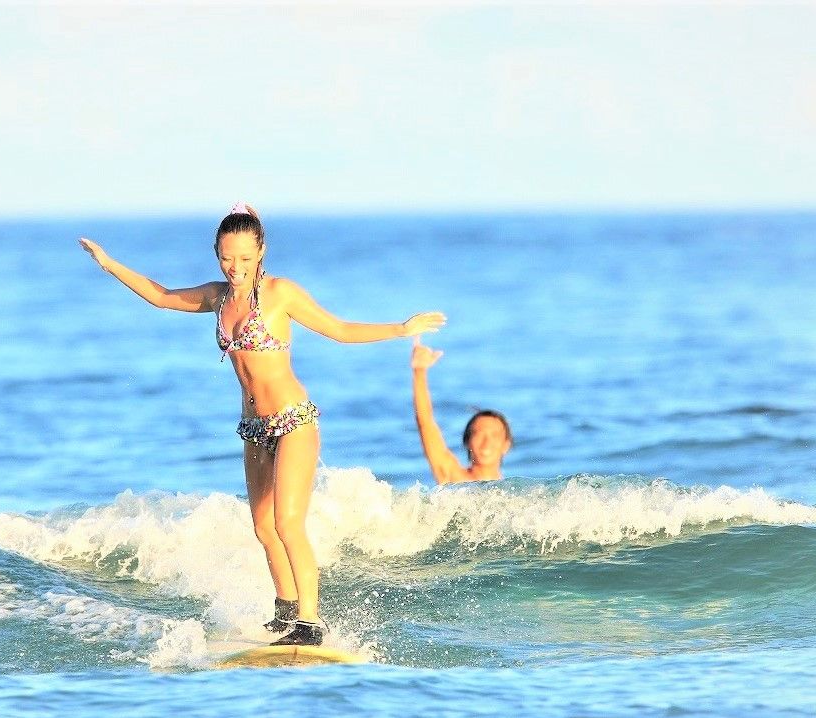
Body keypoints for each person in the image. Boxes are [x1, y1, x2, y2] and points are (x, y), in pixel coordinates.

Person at [79, 203, 446, 646]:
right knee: (263, 527)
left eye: (246, 259)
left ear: (261, 252)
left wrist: (401, 328)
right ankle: (286, 609)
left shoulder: (279, 294)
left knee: (289, 524)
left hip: (293, 422)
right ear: (217, 253)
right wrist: (109, 263)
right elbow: (161, 296)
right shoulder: (217, 298)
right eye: (227, 258)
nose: (236, 268)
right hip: (253, 428)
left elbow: (340, 329)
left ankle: (311, 622)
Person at [410, 336, 512, 484]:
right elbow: (425, 423)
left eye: (494, 435)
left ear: (506, 445)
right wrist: (419, 372)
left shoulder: (515, 494)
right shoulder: (454, 480)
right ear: (467, 442)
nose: (486, 442)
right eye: (478, 434)